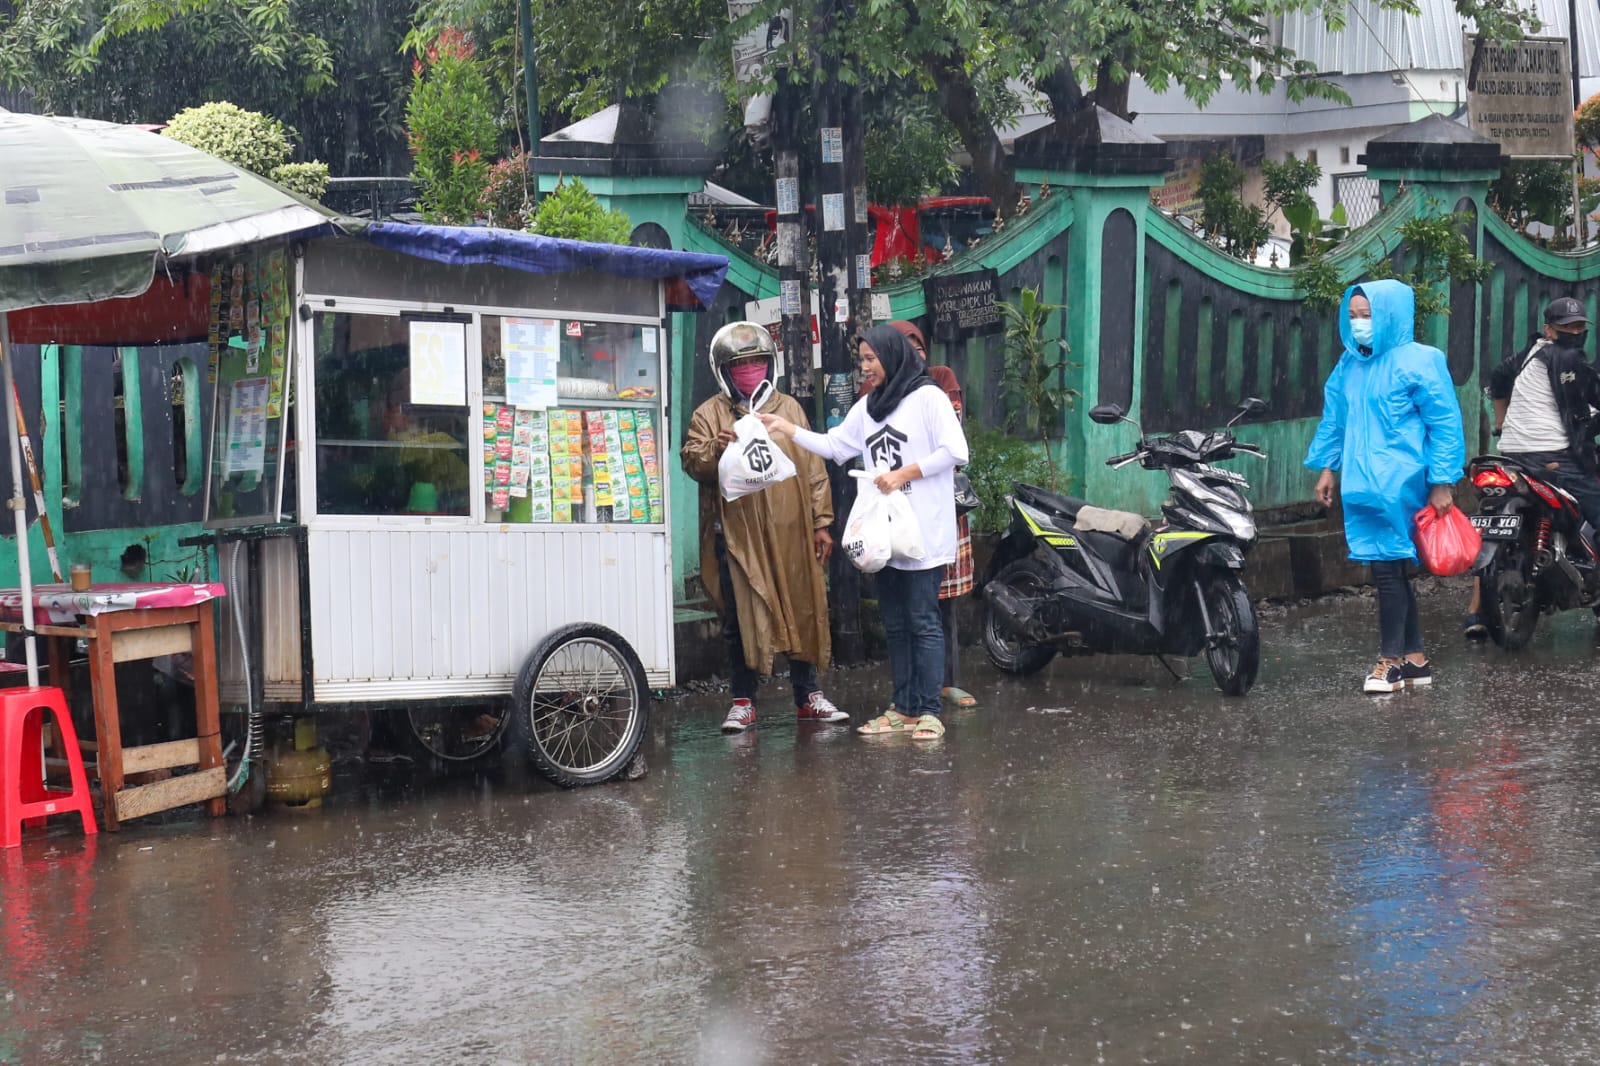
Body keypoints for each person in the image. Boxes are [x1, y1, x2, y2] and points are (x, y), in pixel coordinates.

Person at [759, 324, 969, 739]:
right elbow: (837, 446)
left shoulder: (927, 398)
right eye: (863, 361)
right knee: (895, 622)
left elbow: (955, 451)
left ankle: (929, 711)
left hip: (922, 530)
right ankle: (902, 708)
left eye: (871, 359)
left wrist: (903, 473)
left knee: (922, 619)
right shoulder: (870, 406)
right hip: (883, 533)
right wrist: (787, 429)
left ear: (892, 356)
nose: (865, 368)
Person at [680, 321, 847, 733]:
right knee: (741, 621)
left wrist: (822, 522)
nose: (751, 370)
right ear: (724, 369)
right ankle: (743, 701)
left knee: (802, 607)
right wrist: (716, 448)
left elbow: (813, 469)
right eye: (741, 364)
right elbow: (693, 462)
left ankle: (808, 696)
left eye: (757, 361)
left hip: (792, 532)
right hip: (737, 537)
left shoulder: (788, 409)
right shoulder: (710, 414)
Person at [1306, 280, 1466, 694]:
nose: (1360, 324)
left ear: (1390, 315)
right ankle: (1414, 659)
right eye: (1354, 316)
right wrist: (1327, 467)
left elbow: (1445, 424)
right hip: (1361, 483)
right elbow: (1334, 419)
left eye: (1368, 315)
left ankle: (1390, 662)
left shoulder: (1420, 362)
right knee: (1391, 569)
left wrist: (1442, 482)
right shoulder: (1349, 365)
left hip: (1401, 482)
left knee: (1386, 570)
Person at [1462, 296, 1600, 638]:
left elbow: (1496, 376)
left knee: (1493, 518)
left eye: (1580, 326)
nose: (1575, 331)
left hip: (1510, 454)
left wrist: (1500, 422)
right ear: (1549, 329)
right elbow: (1586, 404)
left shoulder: (1528, 353)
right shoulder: (1569, 357)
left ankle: (1476, 612)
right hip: (1550, 455)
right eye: (1568, 326)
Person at [886, 320, 978, 709]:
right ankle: (910, 695)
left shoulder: (939, 380)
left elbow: (950, 439)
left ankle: (944, 684)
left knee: (941, 600)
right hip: (894, 510)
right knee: (904, 608)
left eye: (917, 349)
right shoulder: (878, 391)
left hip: (939, 506)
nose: (912, 357)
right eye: (902, 349)